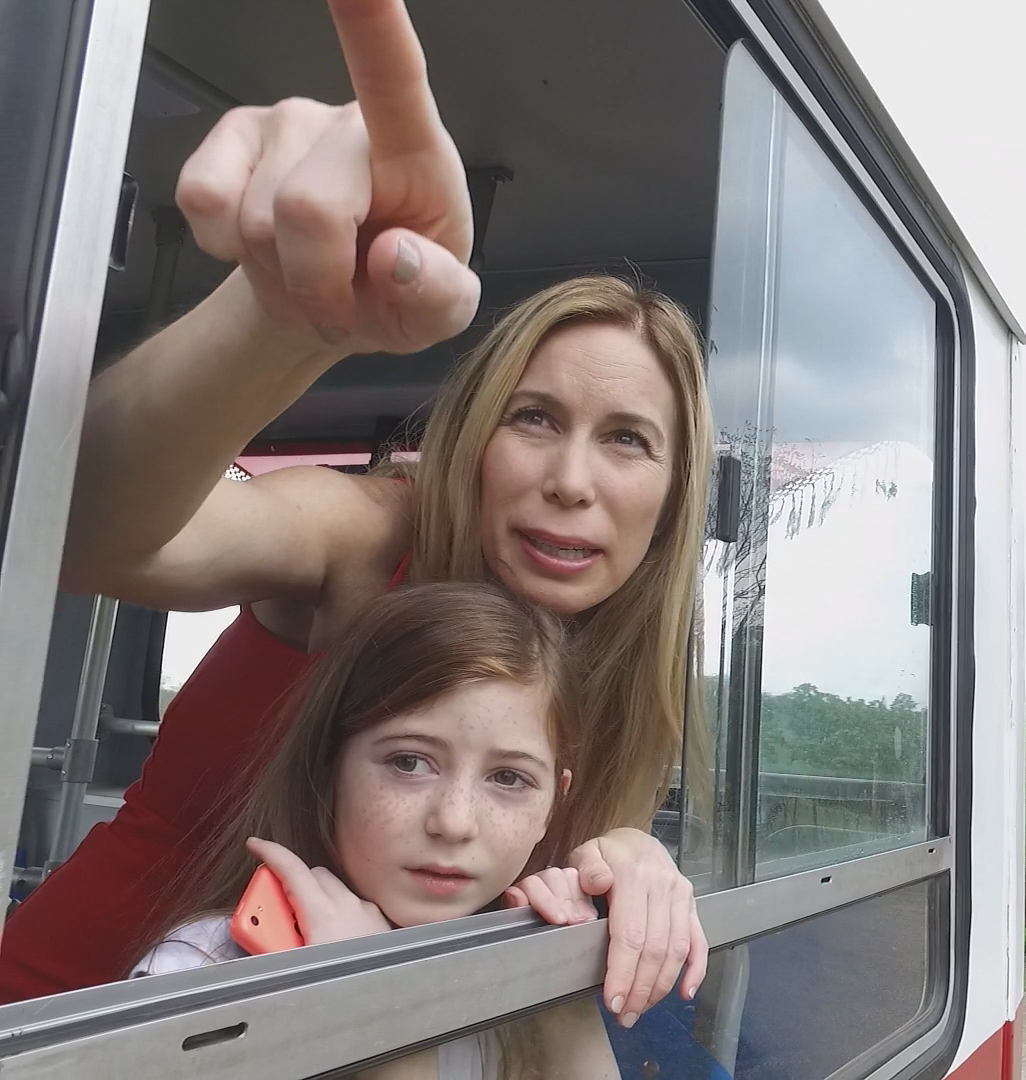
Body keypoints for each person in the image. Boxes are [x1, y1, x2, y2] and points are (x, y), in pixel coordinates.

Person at [0, 0, 710, 1021]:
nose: (571, 480)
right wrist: (277, 319)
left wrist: (629, 854)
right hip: (61, 1021)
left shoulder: (611, 689)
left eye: (628, 439)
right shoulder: (366, 538)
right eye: (535, 419)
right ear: (472, 440)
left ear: (674, 498)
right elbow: (75, 533)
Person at [131, 581, 616, 1079]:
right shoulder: (204, 977)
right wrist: (381, 1012)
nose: (453, 822)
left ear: (552, 807)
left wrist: (563, 992)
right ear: (328, 767)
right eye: (408, 762)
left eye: (509, 778)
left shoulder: (516, 982)